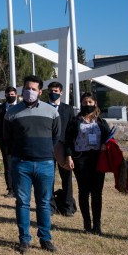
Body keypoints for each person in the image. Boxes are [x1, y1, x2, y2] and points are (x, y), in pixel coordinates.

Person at [4, 75, 60, 254]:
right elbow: (7, 138)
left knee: (44, 203)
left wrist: (45, 151)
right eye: (27, 88)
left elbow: (56, 136)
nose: (30, 92)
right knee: (22, 202)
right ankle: (24, 239)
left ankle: (45, 238)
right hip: (21, 164)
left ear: (40, 92)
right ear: (22, 90)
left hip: (45, 164)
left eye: (34, 89)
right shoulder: (12, 112)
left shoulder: (51, 112)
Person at [57, 92, 112, 235]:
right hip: (80, 159)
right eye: (85, 102)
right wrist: (69, 156)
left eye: (90, 102)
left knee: (97, 193)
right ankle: (87, 222)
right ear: (81, 104)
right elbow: (68, 140)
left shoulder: (101, 122)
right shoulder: (75, 121)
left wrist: (106, 145)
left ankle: (97, 224)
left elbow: (109, 139)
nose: (87, 105)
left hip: (97, 159)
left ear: (95, 103)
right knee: (84, 191)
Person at [46, 81, 76, 216]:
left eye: (56, 91)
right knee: (48, 178)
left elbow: (71, 131)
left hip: (63, 149)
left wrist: (69, 152)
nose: (53, 93)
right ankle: (50, 206)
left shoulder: (68, 110)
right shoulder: (42, 107)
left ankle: (68, 206)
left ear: (61, 92)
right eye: (51, 91)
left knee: (67, 179)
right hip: (47, 147)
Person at [0, 87, 18, 197]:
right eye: (8, 94)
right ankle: (10, 189)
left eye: (12, 94)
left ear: (16, 94)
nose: (10, 96)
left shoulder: (21, 107)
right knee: (8, 165)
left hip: (19, 142)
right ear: (5, 95)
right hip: (5, 141)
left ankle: (19, 188)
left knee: (19, 166)